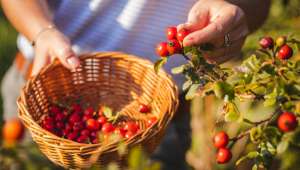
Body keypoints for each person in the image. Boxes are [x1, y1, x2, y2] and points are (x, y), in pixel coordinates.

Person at [1, 0, 271, 169]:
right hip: (43, 91)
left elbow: (257, 7)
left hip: (157, 123)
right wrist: (41, 31)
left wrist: (233, 15)